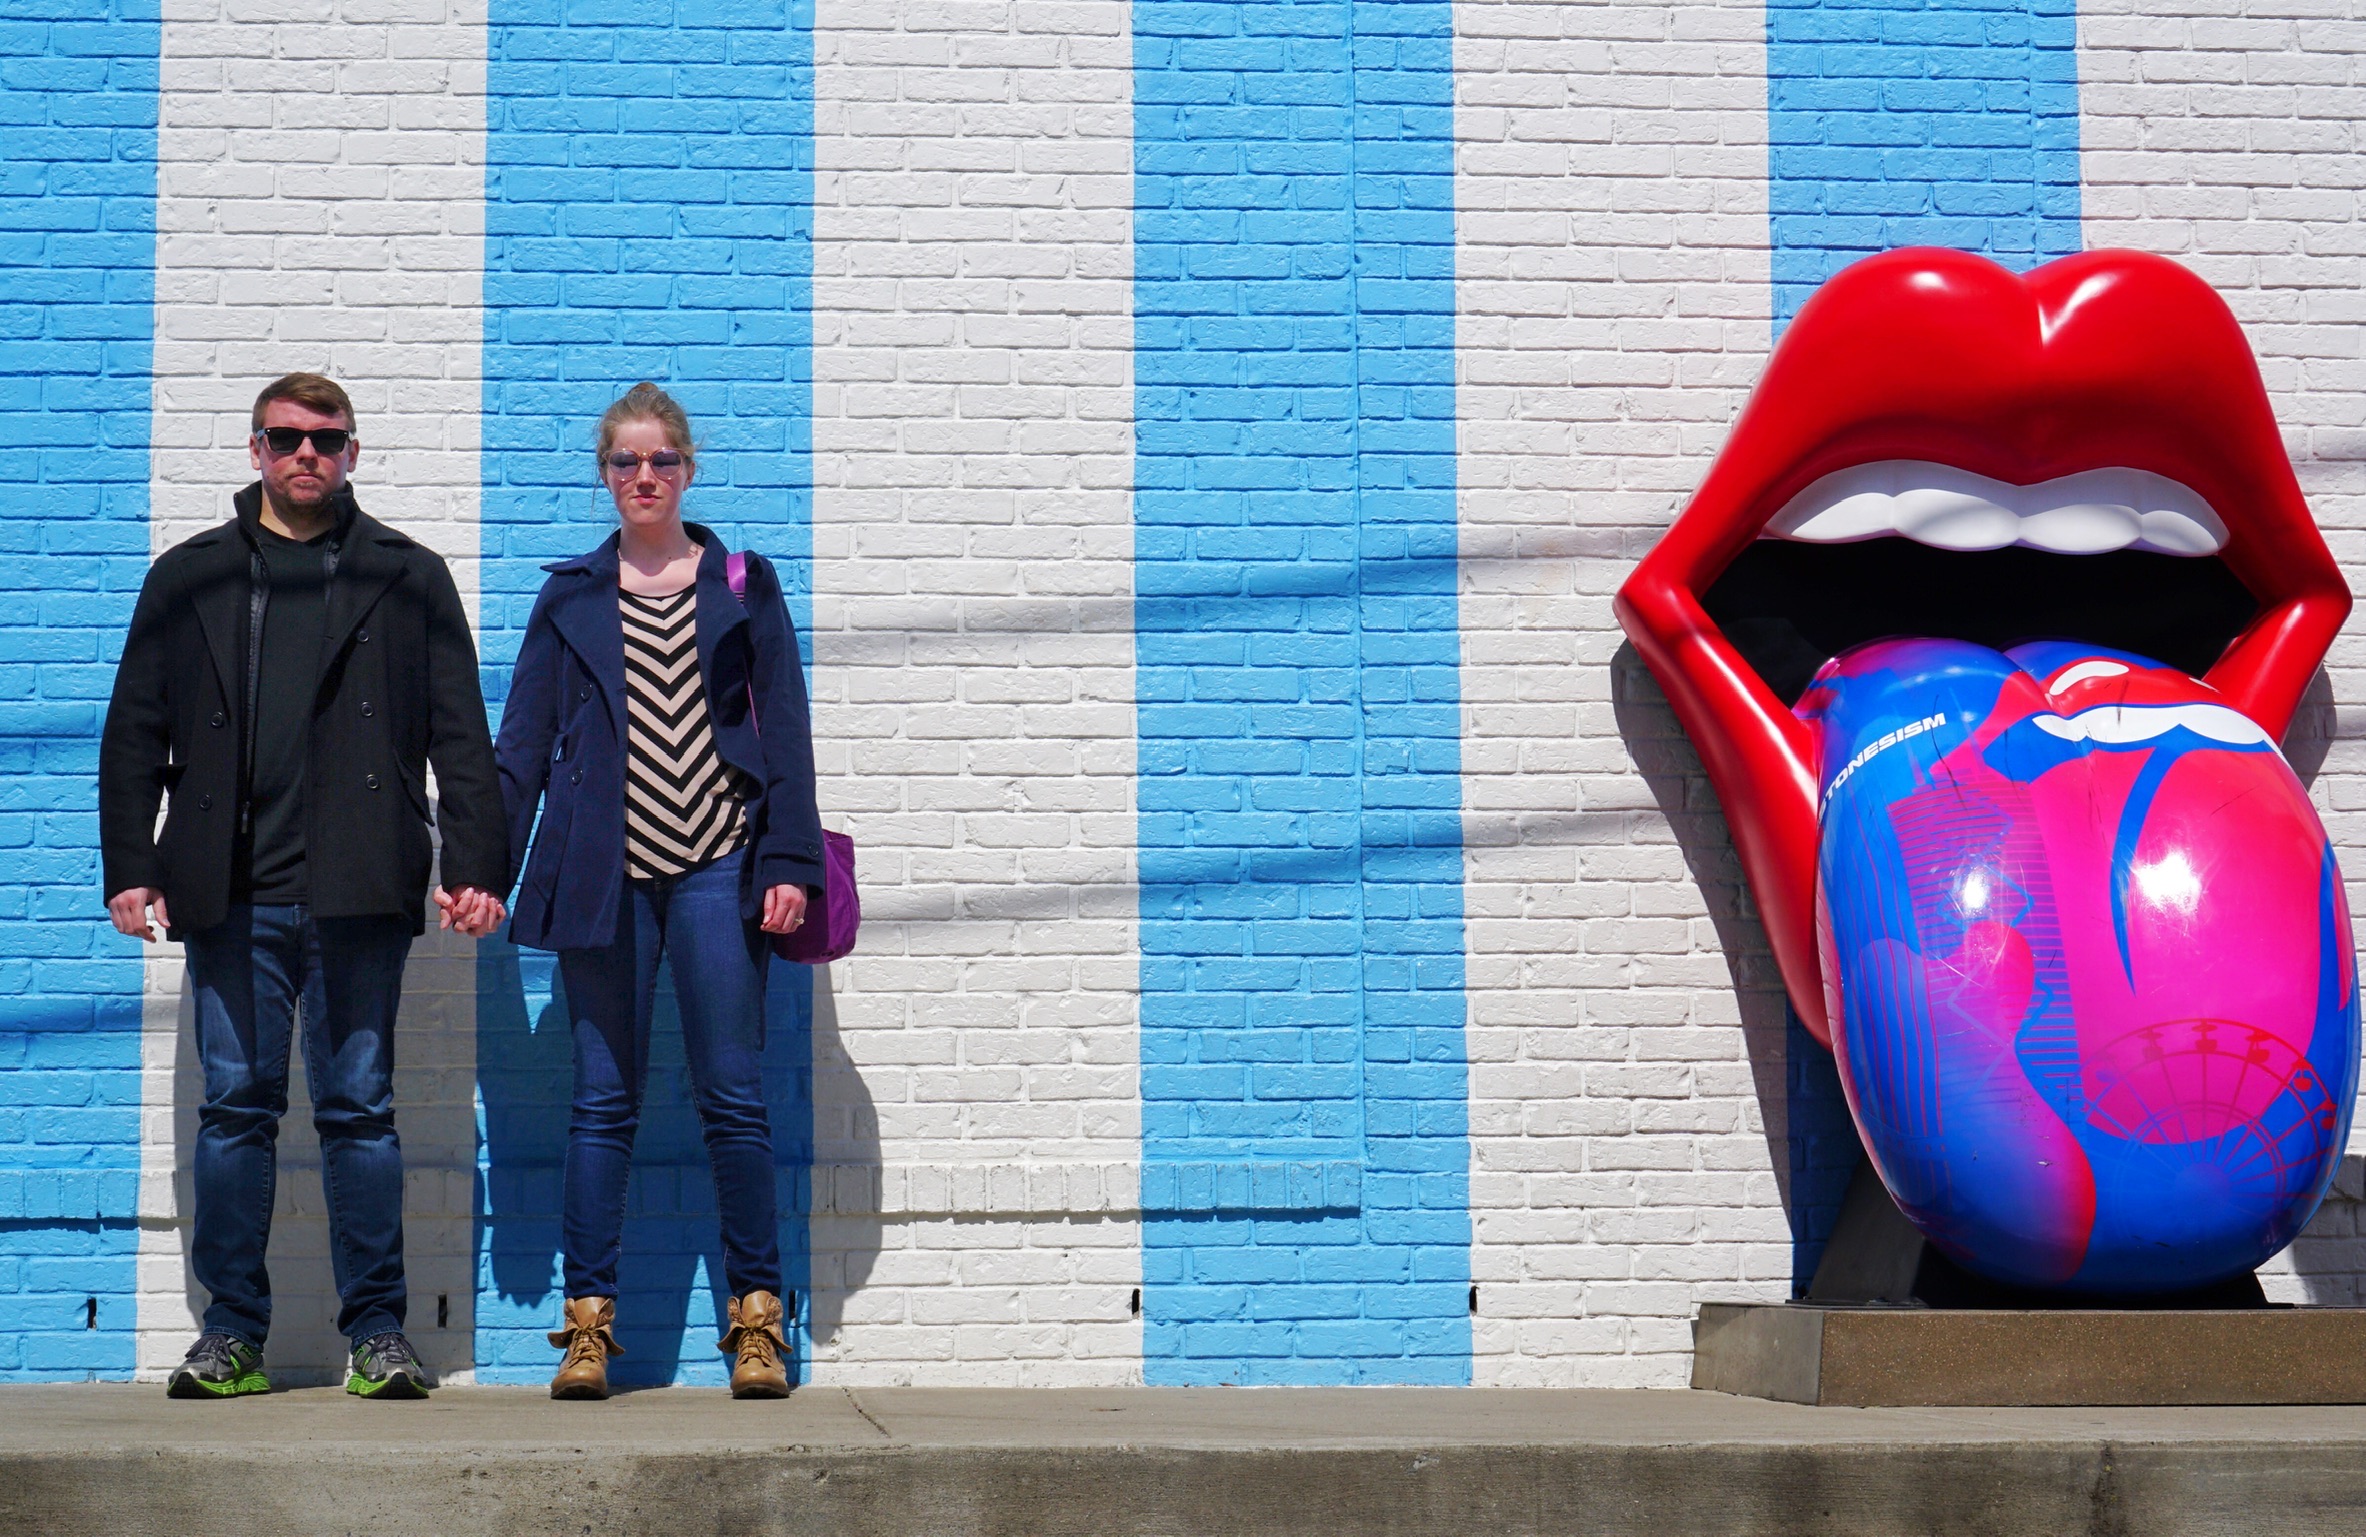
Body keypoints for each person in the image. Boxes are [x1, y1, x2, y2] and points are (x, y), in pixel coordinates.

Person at [99, 372, 510, 1400]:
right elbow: (133, 732)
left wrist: (473, 862)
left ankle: (377, 1332)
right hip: (229, 891)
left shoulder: (405, 574)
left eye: (326, 439)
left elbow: (460, 733)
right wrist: (130, 864)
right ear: (255, 449)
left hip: (359, 886)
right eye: (286, 437)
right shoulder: (188, 576)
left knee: (359, 1113)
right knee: (235, 1110)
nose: (306, 455)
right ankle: (231, 1334)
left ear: (352, 452)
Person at [496, 382, 824, 1400]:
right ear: (604, 475)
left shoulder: (741, 582)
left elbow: (786, 737)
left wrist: (789, 864)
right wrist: (477, 871)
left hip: (720, 868)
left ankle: (757, 1328)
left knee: (733, 1101)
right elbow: (521, 750)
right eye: (625, 463)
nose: (644, 478)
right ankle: (588, 1330)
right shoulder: (570, 598)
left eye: (661, 461)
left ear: (688, 469)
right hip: (605, 877)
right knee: (602, 1104)